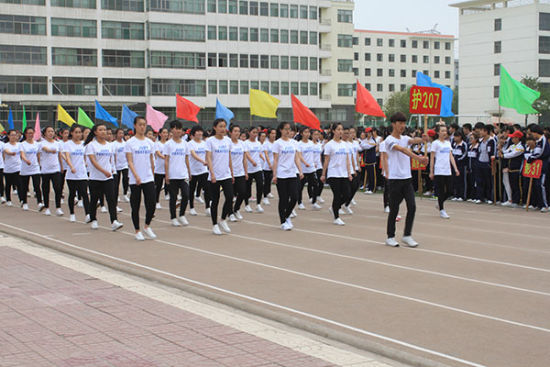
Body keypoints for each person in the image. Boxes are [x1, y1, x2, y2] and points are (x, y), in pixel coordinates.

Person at [384, 112, 428, 247]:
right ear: (393, 124)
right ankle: (390, 236)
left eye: (404, 123)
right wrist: (418, 158)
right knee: (394, 209)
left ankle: (407, 235)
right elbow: (402, 150)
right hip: (395, 179)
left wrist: (424, 139)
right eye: (400, 123)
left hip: (406, 179)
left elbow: (413, 141)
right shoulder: (389, 140)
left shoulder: (405, 138)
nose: (402, 126)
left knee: (412, 207)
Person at [85, 123, 123, 231]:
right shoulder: (91, 145)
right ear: (95, 132)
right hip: (95, 178)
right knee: (94, 199)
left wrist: (111, 170)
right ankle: (94, 219)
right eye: (100, 130)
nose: (103, 132)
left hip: (108, 178)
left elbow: (111, 160)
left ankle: (114, 221)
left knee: (111, 199)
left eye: (104, 130)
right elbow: (93, 161)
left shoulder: (109, 145)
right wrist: (103, 171)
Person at [126, 116, 156, 240]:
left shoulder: (150, 142)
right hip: (135, 179)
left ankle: (147, 226)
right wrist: (136, 175)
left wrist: (152, 174)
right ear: (135, 126)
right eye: (140, 124)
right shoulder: (130, 143)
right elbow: (130, 161)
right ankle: (137, 230)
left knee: (151, 204)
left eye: (144, 124)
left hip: (148, 177)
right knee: (136, 205)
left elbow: (151, 160)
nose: (142, 127)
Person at [272, 122, 303, 231]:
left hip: (292, 173)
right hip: (281, 174)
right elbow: (275, 160)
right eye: (285, 129)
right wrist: (274, 174)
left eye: (289, 129)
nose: (287, 131)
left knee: (294, 197)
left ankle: (287, 215)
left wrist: (300, 171)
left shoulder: (294, 143)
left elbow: (296, 158)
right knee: (283, 199)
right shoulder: (277, 143)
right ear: (280, 130)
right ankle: (283, 221)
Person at [206, 118, 234, 235]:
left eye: (224, 126)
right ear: (215, 128)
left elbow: (229, 157)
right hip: (215, 175)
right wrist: (212, 173)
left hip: (226, 174)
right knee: (215, 200)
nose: (223, 129)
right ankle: (214, 224)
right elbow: (208, 158)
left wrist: (232, 173)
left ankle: (223, 219)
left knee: (230, 197)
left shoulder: (228, 141)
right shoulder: (210, 141)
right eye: (220, 126)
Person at [321, 123, 352, 225]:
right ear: (333, 131)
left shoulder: (345, 144)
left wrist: (349, 173)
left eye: (341, 129)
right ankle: (336, 217)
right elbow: (326, 161)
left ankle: (334, 207)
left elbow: (347, 160)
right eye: (338, 129)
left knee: (347, 195)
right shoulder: (329, 145)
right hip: (333, 173)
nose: (340, 131)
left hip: (343, 173)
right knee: (337, 195)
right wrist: (323, 174)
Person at [429, 125, 460, 219]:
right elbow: (432, 158)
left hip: (447, 170)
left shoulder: (448, 143)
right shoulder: (435, 143)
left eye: (445, 131)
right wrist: (431, 171)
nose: (444, 132)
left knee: (450, 190)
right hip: (439, 170)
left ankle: (440, 202)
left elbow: (451, 156)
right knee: (441, 190)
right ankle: (442, 210)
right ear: (438, 132)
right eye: (442, 131)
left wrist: (455, 168)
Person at [164, 120, 191, 227]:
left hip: (183, 174)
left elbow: (186, 158)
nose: (178, 130)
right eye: (176, 128)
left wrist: (189, 171)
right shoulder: (168, 144)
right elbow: (166, 160)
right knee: (173, 197)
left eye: (179, 128)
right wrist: (166, 174)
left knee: (186, 195)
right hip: (172, 175)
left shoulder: (185, 144)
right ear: (171, 130)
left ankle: (182, 214)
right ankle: (173, 217)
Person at [63, 125, 90, 223]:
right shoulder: (68, 144)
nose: (78, 134)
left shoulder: (84, 144)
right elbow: (67, 157)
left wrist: (85, 162)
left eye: (80, 132)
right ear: (72, 133)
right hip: (72, 174)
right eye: (76, 132)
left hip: (82, 172)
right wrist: (71, 167)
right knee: (72, 193)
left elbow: (85, 156)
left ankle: (88, 214)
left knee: (84, 193)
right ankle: (72, 213)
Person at [39, 126, 64, 216]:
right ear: (45, 133)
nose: (51, 133)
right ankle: (47, 207)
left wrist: (61, 166)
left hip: (55, 169)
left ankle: (58, 208)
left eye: (52, 131)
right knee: (46, 189)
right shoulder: (42, 143)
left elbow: (59, 156)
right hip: (45, 170)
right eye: (49, 131)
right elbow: (45, 149)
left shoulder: (57, 144)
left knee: (57, 188)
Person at [188, 125, 211, 216]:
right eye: (197, 131)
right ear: (194, 133)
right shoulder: (190, 143)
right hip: (193, 170)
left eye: (201, 131)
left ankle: (207, 207)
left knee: (207, 188)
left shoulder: (204, 143)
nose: (199, 133)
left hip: (203, 170)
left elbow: (208, 154)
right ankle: (191, 207)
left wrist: (208, 162)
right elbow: (193, 154)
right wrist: (202, 161)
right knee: (192, 188)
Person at [297, 127, 320, 210]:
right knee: (300, 186)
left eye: (308, 132)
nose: (307, 134)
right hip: (303, 168)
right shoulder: (299, 144)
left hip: (311, 168)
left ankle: (314, 202)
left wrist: (314, 162)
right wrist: (305, 162)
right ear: (302, 133)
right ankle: (299, 202)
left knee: (316, 184)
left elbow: (313, 154)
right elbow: (299, 155)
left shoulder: (311, 143)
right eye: (305, 132)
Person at [19, 127, 43, 211]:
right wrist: (26, 160)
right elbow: (22, 155)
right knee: (24, 186)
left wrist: (39, 164)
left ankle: (39, 203)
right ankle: (24, 202)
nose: (30, 135)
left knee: (37, 185)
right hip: (25, 168)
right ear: (25, 134)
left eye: (32, 133)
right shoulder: (22, 144)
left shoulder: (37, 144)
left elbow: (38, 155)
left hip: (35, 168)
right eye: (29, 133)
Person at [500, 130, 524, 208]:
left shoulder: (520, 147)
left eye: (513, 138)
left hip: (517, 169)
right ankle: (511, 200)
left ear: (517, 138)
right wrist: (501, 149)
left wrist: (503, 156)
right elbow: (506, 152)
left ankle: (518, 201)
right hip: (510, 169)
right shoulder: (512, 146)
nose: (512, 139)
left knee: (517, 186)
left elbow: (512, 154)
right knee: (512, 185)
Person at [243, 127, 264, 213]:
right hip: (249, 168)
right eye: (253, 132)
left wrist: (263, 158)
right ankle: (247, 204)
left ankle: (258, 204)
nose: (255, 134)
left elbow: (259, 152)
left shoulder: (258, 143)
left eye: (256, 133)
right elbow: (246, 154)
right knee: (247, 187)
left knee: (260, 185)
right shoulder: (246, 143)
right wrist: (252, 161)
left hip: (258, 168)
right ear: (249, 132)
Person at [228, 125, 247, 222]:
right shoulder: (228, 143)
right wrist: (231, 173)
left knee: (243, 192)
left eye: (238, 131)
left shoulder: (242, 144)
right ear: (230, 132)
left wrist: (246, 172)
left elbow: (244, 159)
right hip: (229, 173)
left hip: (240, 172)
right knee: (230, 195)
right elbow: (228, 159)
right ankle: (230, 213)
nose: (237, 133)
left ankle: (236, 209)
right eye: (235, 131)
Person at [2, 130, 24, 207]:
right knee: (8, 184)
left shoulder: (19, 145)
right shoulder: (6, 145)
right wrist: (11, 153)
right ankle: (8, 199)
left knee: (19, 184)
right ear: (8, 136)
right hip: (8, 168)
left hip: (18, 167)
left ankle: (22, 199)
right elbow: (6, 151)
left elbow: (22, 154)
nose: (14, 136)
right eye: (12, 135)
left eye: (15, 135)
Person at [113, 128, 130, 204]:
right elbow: (113, 155)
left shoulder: (125, 143)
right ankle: (116, 196)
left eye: (122, 133)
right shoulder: (114, 144)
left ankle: (125, 194)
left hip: (125, 164)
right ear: (116, 134)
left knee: (126, 179)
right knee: (116, 182)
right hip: (116, 165)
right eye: (119, 133)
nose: (121, 135)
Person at [154, 128, 169, 209]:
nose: (165, 134)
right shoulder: (157, 144)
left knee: (169, 185)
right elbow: (158, 153)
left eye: (166, 132)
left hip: (168, 168)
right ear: (160, 134)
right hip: (159, 169)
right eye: (163, 132)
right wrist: (166, 157)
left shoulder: (169, 144)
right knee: (158, 186)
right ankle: (156, 201)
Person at [451, 129, 468, 201]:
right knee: (455, 180)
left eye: (456, 137)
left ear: (460, 137)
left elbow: (465, 154)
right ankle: (456, 195)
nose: (454, 138)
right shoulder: (453, 144)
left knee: (461, 180)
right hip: (453, 165)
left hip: (461, 165)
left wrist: (458, 160)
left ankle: (462, 195)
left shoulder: (464, 144)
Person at [360, 127, 377, 194]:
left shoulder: (373, 140)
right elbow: (362, 146)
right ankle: (369, 188)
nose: (368, 134)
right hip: (366, 160)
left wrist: (363, 144)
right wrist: (363, 144)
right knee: (369, 175)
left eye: (370, 133)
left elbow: (366, 147)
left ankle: (373, 189)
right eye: (367, 133)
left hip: (372, 160)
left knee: (373, 175)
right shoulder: (365, 140)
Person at [261, 128, 276, 205]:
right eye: (272, 133)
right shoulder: (266, 144)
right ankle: (265, 197)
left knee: (271, 180)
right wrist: (269, 163)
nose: (273, 135)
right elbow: (266, 154)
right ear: (269, 134)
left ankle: (268, 192)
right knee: (266, 181)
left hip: (275, 165)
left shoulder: (276, 143)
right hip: (267, 166)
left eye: (274, 133)